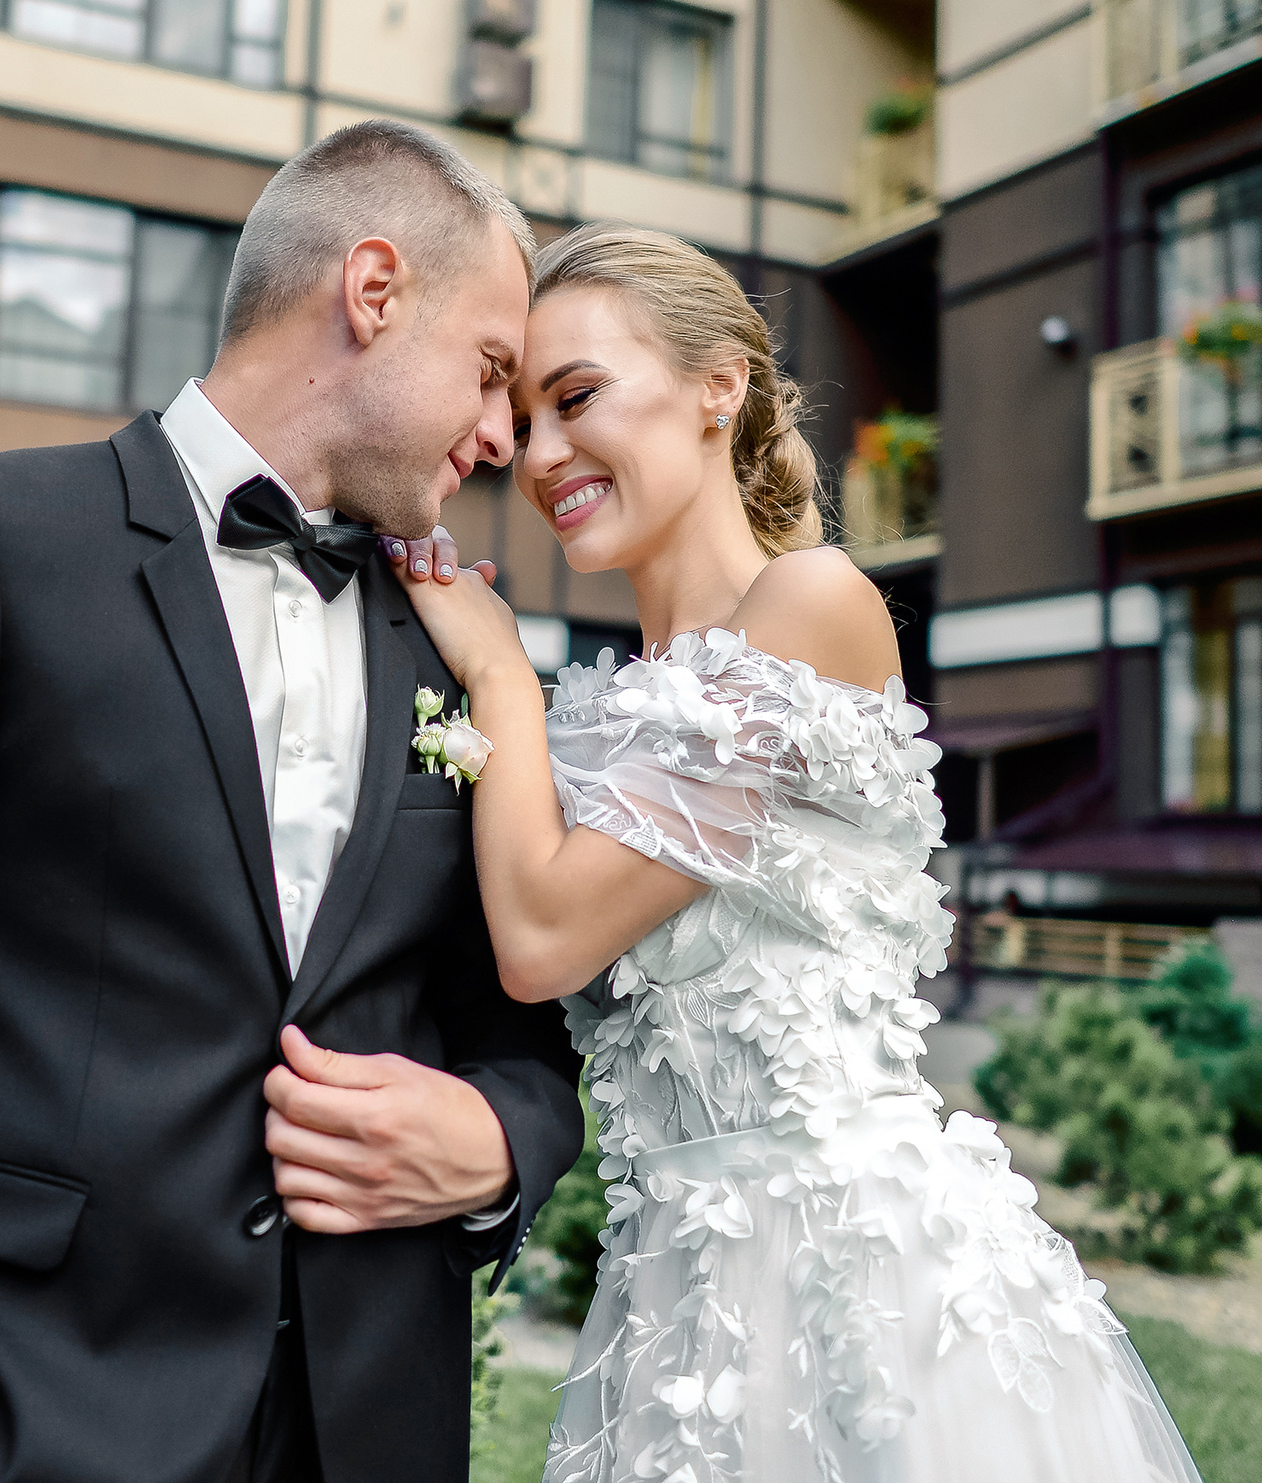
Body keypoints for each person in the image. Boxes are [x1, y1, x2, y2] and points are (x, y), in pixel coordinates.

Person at [0, 120, 586, 1483]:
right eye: (494, 370)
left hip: (370, 1428)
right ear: (375, 288)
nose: (506, 433)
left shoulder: (460, 641)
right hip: (29, 1416)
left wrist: (501, 1144)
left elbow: (525, 1027)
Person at [392, 224, 1204, 1483]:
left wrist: (494, 669)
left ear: (720, 386)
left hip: (855, 1277)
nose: (540, 455)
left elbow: (545, 938)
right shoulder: (588, 716)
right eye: (520, 415)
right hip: (671, 1284)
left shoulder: (809, 605)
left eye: (578, 398)